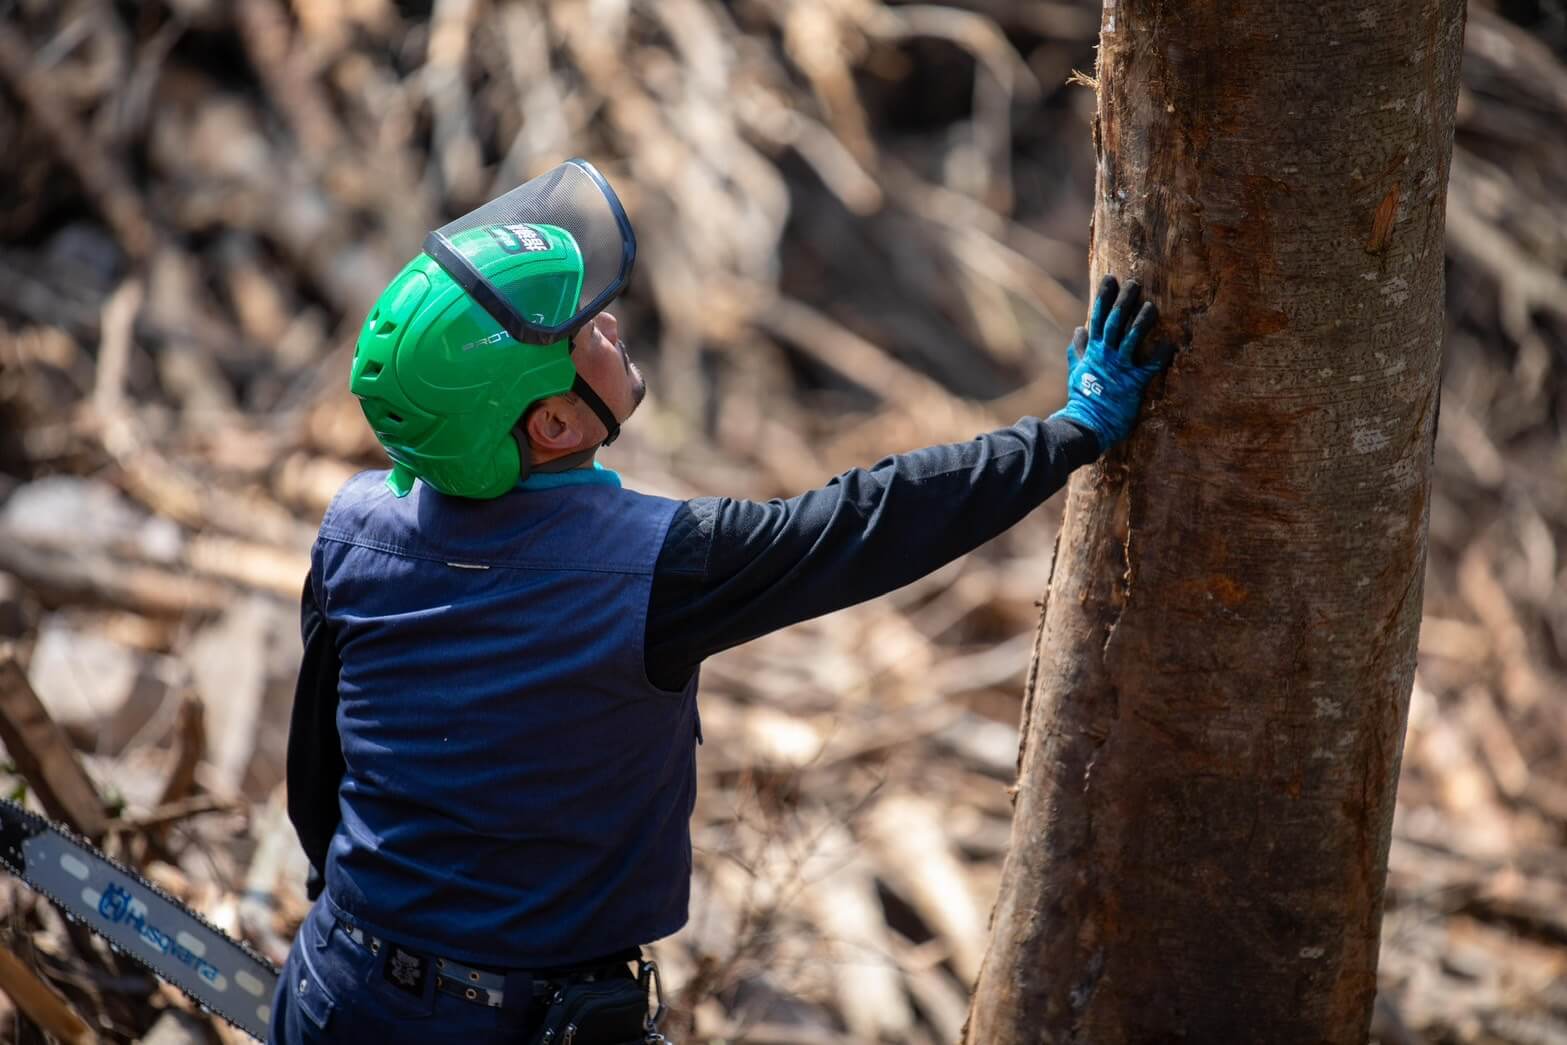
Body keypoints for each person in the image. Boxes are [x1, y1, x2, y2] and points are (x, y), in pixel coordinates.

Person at [270, 161, 1173, 1045]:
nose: (611, 323)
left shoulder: (352, 530)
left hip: (335, 982)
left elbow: (317, 779)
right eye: (583, 330)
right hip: (513, 1019)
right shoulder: (656, 568)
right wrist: (1067, 434)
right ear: (551, 424)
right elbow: (873, 518)